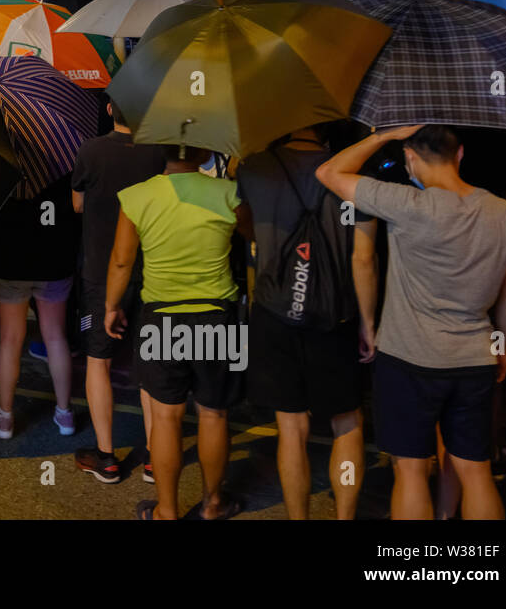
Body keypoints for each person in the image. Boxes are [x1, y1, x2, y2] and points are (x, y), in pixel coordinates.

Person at [317, 125, 506, 520]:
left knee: (411, 471)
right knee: (476, 471)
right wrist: (501, 348)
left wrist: (383, 138)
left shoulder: (404, 202)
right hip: (474, 359)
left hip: (408, 359)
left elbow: (329, 172)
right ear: (460, 154)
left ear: (410, 158)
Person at [236, 126, 378, 519]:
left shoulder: (254, 168)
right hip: (336, 317)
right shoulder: (355, 176)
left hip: (274, 311)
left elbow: (243, 225)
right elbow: (363, 259)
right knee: (347, 423)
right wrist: (368, 323)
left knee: (291, 428)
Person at [109, 144, 245, 520]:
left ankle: (167, 510)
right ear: (202, 150)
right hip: (219, 316)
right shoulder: (228, 193)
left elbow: (122, 261)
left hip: (160, 318)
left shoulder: (136, 197)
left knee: (167, 417)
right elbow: (251, 238)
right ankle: (213, 504)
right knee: (214, 415)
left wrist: (111, 306)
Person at [70, 102, 165, 483]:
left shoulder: (91, 150)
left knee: (98, 360)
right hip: (149, 270)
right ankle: (156, 459)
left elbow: (77, 204)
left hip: (99, 273)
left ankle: (107, 458)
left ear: (110, 109)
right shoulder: (158, 152)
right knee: (152, 365)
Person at [0, 176, 79, 440]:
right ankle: (65, 413)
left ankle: (5, 418)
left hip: (9, 265)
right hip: (55, 262)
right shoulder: (62, 169)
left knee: (10, 339)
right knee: (56, 337)